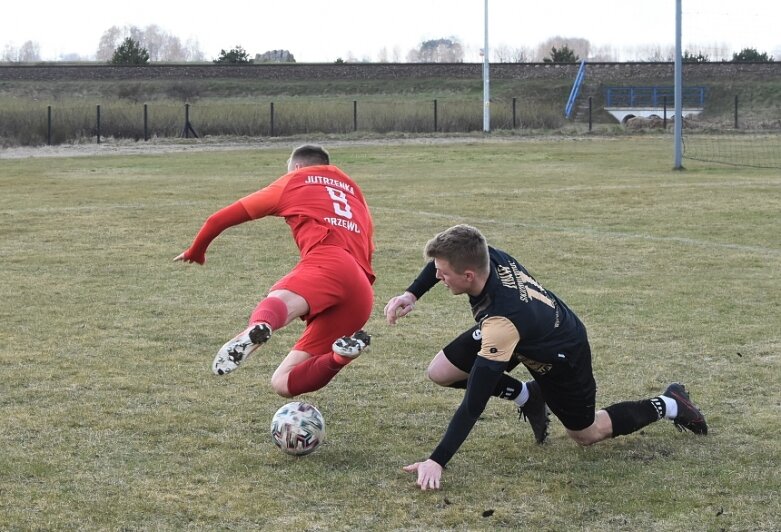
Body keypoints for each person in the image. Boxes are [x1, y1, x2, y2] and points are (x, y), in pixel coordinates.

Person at [384, 224, 707, 491]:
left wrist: (437, 460)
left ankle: (671, 403)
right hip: (522, 330)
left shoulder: (500, 323)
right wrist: (411, 293)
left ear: (468, 276)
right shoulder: (485, 255)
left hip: (560, 352)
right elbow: (445, 260)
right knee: (441, 371)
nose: (438, 277)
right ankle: (528, 394)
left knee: (586, 433)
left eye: (443, 274)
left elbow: (474, 402)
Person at [175, 144, 373, 397]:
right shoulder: (354, 191)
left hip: (330, 261)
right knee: (284, 382)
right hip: (362, 290)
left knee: (278, 301)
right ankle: (340, 356)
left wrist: (196, 251)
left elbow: (218, 219)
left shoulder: (295, 180)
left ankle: (261, 325)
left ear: (297, 167)